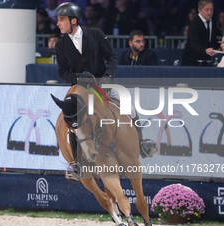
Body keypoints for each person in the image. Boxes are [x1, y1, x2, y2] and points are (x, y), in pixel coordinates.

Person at [54, 2, 155, 166]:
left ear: (73, 20)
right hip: (80, 88)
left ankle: (141, 144)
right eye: (58, 20)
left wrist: (108, 75)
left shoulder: (96, 34)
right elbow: (62, 72)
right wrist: (77, 79)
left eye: (61, 19)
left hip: (103, 83)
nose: (58, 23)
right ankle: (76, 163)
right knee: (70, 117)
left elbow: (111, 57)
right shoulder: (60, 45)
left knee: (129, 105)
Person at [182, 0, 220, 66]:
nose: (210, 12)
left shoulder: (213, 22)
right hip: (191, 61)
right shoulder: (194, 23)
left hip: (206, 61)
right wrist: (205, 50)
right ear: (199, 10)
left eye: (211, 9)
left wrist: (220, 47)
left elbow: (214, 39)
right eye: (207, 10)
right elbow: (193, 43)